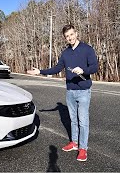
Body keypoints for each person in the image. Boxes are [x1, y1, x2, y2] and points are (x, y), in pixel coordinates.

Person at [27, 24, 98, 162]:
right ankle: (74, 143)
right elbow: (57, 68)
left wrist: (83, 70)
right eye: (67, 36)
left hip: (83, 91)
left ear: (76, 33)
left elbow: (94, 67)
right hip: (70, 91)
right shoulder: (65, 53)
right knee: (73, 120)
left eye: (71, 34)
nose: (70, 38)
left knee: (83, 121)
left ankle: (83, 148)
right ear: (65, 38)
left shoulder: (87, 49)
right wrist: (40, 72)